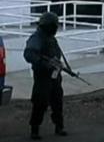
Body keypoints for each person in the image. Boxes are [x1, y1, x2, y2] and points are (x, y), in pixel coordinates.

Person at [24, 12, 67, 140]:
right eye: (54, 26)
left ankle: (59, 126)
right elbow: (29, 54)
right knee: (40, 103)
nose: (55, 29)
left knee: (57, 102)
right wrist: (44, 64)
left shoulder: (51, 39)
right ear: (48, 26)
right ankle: (35, 129)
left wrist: (58, 65)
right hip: (42, 77)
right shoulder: (37, 38)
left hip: (54, 76)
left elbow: (56, 54)